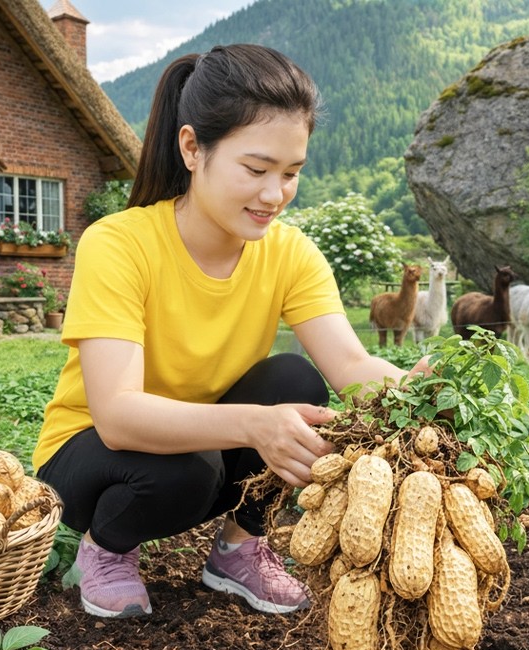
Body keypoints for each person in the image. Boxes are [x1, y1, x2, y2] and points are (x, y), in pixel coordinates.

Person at [33, 44, 428, 619]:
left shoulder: (290, 253)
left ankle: (239, 551)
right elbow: (117, 417)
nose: (275, 195)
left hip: (203, 448)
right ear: (193, 148)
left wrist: (419, 393)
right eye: (256, 169)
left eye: (292, 173)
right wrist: (253, 424)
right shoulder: (118, 243)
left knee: (295, 378)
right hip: (94, 456)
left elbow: (350, 365)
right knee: (191, 468)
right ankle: (105, 550)